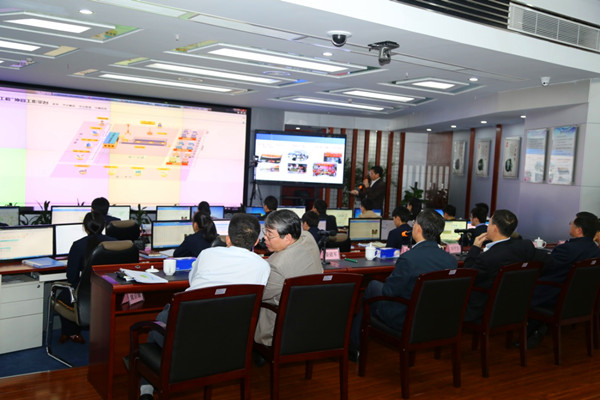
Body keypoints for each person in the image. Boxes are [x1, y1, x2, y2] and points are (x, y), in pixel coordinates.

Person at [139, 213, 270, 400]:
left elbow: (192, 284)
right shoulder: (263, 266)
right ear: (256, 241)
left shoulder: (208, 254)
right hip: (230, 342)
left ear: (227, 239)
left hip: (189, 337)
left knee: (158, 324)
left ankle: (146, 389)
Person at [349, 209, 457, 359]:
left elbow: (389, 291)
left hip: (405, 318)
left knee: (372, 287)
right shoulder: (450, 260)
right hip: (435, 318)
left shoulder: (409, 259)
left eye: (414, 224)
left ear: (418, 229)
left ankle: (354, 346)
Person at [254, 209, 323, 346]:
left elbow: (259, 295)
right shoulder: (308, 238)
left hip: (280, 329)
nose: (265, 238)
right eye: (265, 232)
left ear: (288, 238)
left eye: (270, 234)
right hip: (310, 320)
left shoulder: (276, 265)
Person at [462, 209, 542, 322]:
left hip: (484, 311)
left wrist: (475, 248)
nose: (487, 227)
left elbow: (467, 276)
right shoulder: (525, 246)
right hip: (516, 308)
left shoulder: (486, 258)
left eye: (489, 224)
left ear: (494, 228)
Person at [58, 211, 115, 344]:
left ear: (84, 227)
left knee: (62, 296)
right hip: (110, 293)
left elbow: (71, 277)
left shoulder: (78, 245)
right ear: (104, 225)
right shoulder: (116, 243)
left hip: (86, 295)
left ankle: (72, 332)